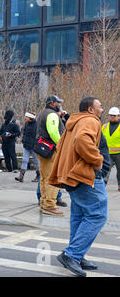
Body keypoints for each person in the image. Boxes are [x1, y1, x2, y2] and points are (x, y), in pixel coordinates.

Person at [49, 97, 108, 277]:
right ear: (90, 109)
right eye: (100, 106)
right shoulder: (90, 120)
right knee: (97, 214)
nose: (102, 110)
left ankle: (76, 254)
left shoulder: (74, 121)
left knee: (80, 215)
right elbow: (83, 141)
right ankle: (72, 254)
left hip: (72, 175)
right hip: (84, 175)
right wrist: (97, 161)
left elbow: (61, 145)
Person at [36, 95, 65, 216]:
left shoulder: (43, 113)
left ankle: (44, 202)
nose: (60, 104)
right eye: (58, 102)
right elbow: (53, 131)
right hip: (51, 150)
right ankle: (49, 205)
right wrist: (60, 145)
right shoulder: (52, 114)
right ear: (52, 103)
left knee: (44, 177)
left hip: (43, 150)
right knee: (53, 178)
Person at [15, 112, 40, 182]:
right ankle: (21, 176)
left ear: (30, 117)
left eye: (26, 116)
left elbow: (38, 135)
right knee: (24, 160)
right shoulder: (26, 123)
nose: (25, 118)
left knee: (37, 161)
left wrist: (36, 143)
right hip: (26, 145)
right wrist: (23, 140)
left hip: (34, 146)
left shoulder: (37, 124)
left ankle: (39, 176)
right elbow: (24, 132)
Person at [102, 106, 120, 191]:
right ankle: (103, 185)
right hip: (108, 153)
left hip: (118, 153)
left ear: (118, 116)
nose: (112, 117)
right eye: (111, 115)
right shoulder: (104, 126)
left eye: (114, 115)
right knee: (106, 170)